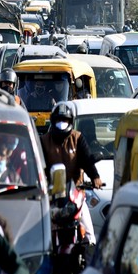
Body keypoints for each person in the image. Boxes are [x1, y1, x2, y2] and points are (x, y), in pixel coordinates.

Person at [40, 103, 102, 245]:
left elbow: (87, 159)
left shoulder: (77, 138)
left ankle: (86, 262)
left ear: (71, 122)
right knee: (41, 238)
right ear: (53, 121)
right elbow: (38, 165)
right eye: (59, 120)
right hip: (52, 196)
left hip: (75, 195)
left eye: (65, 121)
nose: (62, 124)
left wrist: (95, 177)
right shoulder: (43, 141)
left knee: (90, 236)